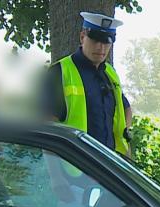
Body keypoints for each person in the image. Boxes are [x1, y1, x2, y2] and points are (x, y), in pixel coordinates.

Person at [44, 11, 133, 157]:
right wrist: (57, 176)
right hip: (75, 167)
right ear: (82, 37)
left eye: (106, 41)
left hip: (109, 164)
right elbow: (48, 128)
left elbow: (126, 109)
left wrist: (125, 136)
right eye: (95, 40)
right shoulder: (59, 72)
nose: (101, 47)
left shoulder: (110, 73)